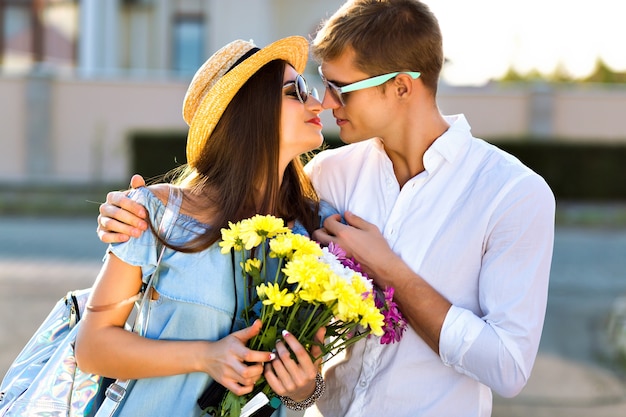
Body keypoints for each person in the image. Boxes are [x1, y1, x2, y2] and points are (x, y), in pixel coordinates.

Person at [96, 1, 555, 416]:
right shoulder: (324, 181)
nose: (324, 101)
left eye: (340, 88)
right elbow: (230, 196)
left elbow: (508, 367)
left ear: (399, 87)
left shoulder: (513, 195)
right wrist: (132, 212)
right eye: (312, 87)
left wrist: (388, 271)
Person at [76, 36, 332, 417]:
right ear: (249, 110)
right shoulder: (155, 211)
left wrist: (304, 386)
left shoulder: (317, 229)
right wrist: (206, 357)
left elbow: (304, 385)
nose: (319, 102)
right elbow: (92, 348)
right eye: (296, 91)